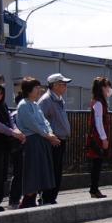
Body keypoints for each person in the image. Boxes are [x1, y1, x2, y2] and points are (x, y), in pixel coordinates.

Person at [15, 77, 60, 208]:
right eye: (36, 88)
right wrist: (49, 136)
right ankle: (27, 200)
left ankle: (32, 199)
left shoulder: (34, 104)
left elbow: (44, 122)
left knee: (40, 171)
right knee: (33, 171)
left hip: (41, 140)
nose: (39, 90)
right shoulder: (23, 105)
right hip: (32, 140)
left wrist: (50, 133)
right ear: (28, 90)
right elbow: (33, 125)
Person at [0, 76, 25, 213]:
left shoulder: (0, 105)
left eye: (0, 92)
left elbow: (9, 120)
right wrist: (13, 133)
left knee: (2, 176)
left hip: (4, 145)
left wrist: (16, 131)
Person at [38, 73, 72, 205]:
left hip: (60, 139)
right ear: (54, 85)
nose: (65, 86)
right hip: (52, 140)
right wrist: (50, 136)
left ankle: (52, 197)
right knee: (51, 170)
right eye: (62, 84)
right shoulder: (46, 100)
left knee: (57, 170)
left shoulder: (59, 99)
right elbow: (41, 121)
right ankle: (47, 197)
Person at [86, 77, 112, 198]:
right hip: (97, 139)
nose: (109, 89)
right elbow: (98, 123)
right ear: (101, 88)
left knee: (97, 164)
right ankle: (94, 189)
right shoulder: (98, 103)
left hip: (97, 137)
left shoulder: (99, 102)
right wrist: (104, 138)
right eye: (107, 86)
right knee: (96, 164)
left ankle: (94, 189)